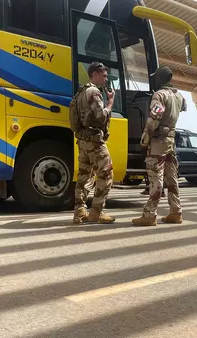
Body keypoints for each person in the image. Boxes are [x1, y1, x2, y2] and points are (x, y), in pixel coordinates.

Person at [132, 66, 187, 226]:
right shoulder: (179, 96)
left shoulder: (159, 95)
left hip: (158, 142)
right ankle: (176, 212)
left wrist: (145, 138)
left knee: (156, 178)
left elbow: (154, 117)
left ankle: (149, 215)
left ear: (159, 79)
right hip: (171, 141)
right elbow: (183, 108)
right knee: (172, 178)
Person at [72, 62, 116, 225]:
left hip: (82, 141)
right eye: (104, 76)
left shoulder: (80, 93)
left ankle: (79, 212)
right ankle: (97, 211)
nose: (105, 80)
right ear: (95, 74)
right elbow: (101, 116)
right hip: (94, 142)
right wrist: (110, 103)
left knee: (84, 176)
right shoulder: (94, 92)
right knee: (106, 174)